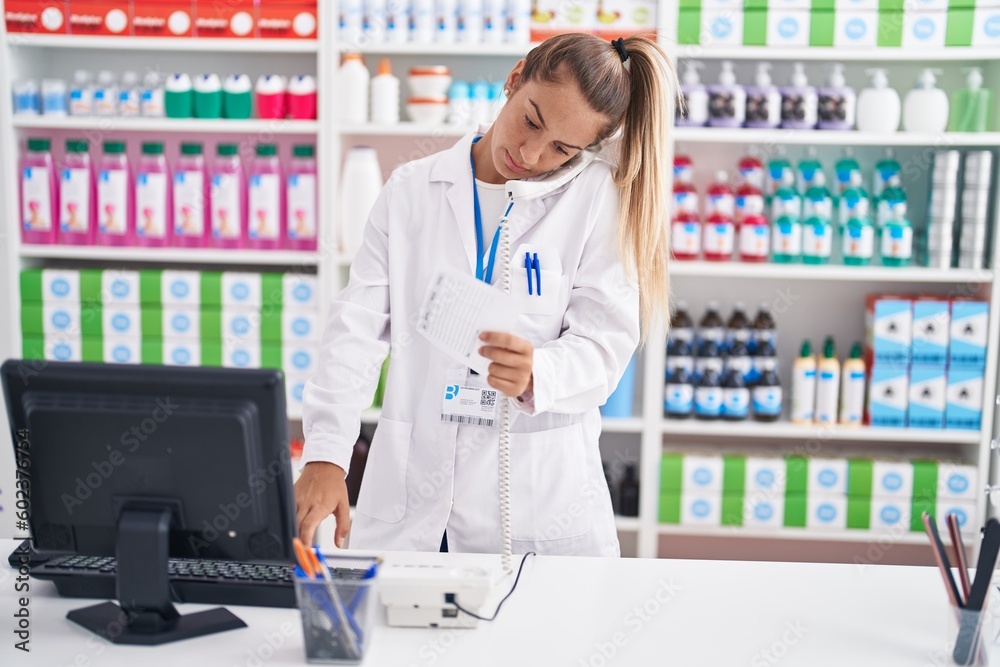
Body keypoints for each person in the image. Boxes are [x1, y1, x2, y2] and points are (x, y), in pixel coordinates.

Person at [295, 34, 674, 557]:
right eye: (531, 120)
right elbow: (355, 330)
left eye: (563, 148)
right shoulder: (411, 190)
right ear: (515, 78)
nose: (530, 153)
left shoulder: (595, 201)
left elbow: (605, 346)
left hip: (535, 508)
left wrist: (539, 372)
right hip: (412, 502)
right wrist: (327, 454)